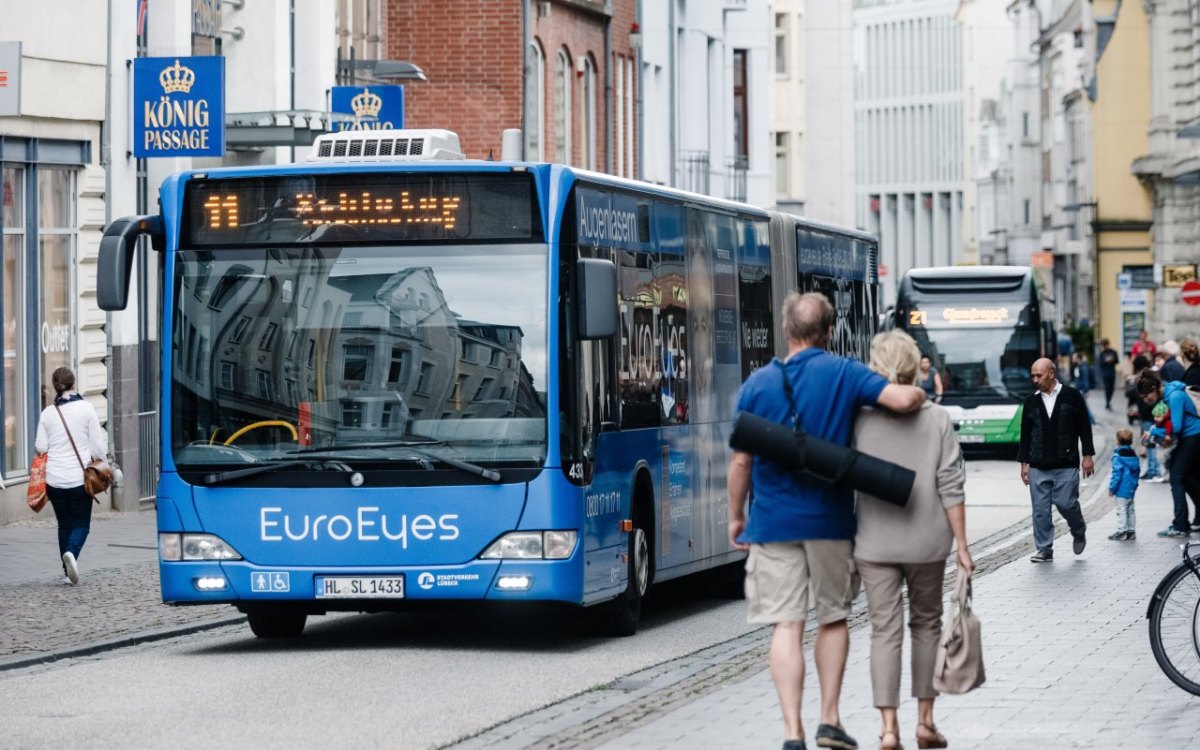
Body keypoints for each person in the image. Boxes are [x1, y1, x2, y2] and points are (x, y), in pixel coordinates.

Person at [728, 292, 925, 750]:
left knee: (786, 625)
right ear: (828, 332)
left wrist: (735, 517)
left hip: (773, 523)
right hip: (830, 521)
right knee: (833, 618)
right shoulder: (844, 372)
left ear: (786, 331)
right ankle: (830, 720)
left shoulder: (757, 384)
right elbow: (899, 400)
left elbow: (741, 463)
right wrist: (920, 391)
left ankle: (792, 731)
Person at [852, 331, 972, 750]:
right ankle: (925, 722)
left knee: (884, 631)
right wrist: (962, 545)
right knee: (926, 626)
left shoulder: (859, 418)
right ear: (914, 366)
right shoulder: (937, 418)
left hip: (874, 543)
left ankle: (888, 729)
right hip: (927, 541)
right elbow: (951, 485)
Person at [34, 367, 108, 584]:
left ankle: (67, 573)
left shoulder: (48, 413)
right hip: (79, 479)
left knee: (64, 525)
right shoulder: (86, 408)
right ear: (74, 384)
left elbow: (40, 446)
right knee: (81, 525)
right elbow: (97, 446)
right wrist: (102, 462)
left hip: (54, 480)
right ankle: (72, 554)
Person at [1018, 358, 1095, 563]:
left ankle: (1078, 529)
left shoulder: (1072, 396)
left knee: (1066, 503)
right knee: (1040, 511)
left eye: (1038, 375)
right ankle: (1044, 549)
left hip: (1066, 463)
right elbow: (1025, 435)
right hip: (1038, 465)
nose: (1035, 379)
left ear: (1051, 373)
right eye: (1032, 375)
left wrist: (1087, 455)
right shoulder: (1031, 402)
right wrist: (1024, 463)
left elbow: (1084, 428)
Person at [1137, 371, 1200, 538]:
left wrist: (1153, 431)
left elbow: (1176, 427)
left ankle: (1180, 525)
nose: (1145, 400)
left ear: (1154, 388)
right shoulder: (1168, 396)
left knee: (1176, 476)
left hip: (1194, 436)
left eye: (1146, 395)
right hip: (1191, 436)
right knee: (1186, 477)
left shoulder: (1175, 396)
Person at [1107, 429, 1141, 541]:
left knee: (1121, 510)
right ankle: (1131, 531)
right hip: (1131, 489)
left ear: (1118, 441)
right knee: (1130, 510)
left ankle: (1122, 531)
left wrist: (1112, 488)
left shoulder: (1117, 457)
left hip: (1122, 489)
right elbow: (1137, 472)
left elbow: (1116, 475)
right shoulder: (1134, 455)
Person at [1097, 339, 1120, 410]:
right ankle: (1107, 402)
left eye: (1106, 344)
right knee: (1107, 388)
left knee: (1112, 388)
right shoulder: (1102, 353)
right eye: (1104, 345)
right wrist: (1106, 361)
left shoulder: (1113, 352)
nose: (1106, 346)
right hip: (1105, 373)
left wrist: (1112, 360)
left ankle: (1108, 401)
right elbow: (1100, 363)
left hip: (1112, 372)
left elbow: (1117, 361)